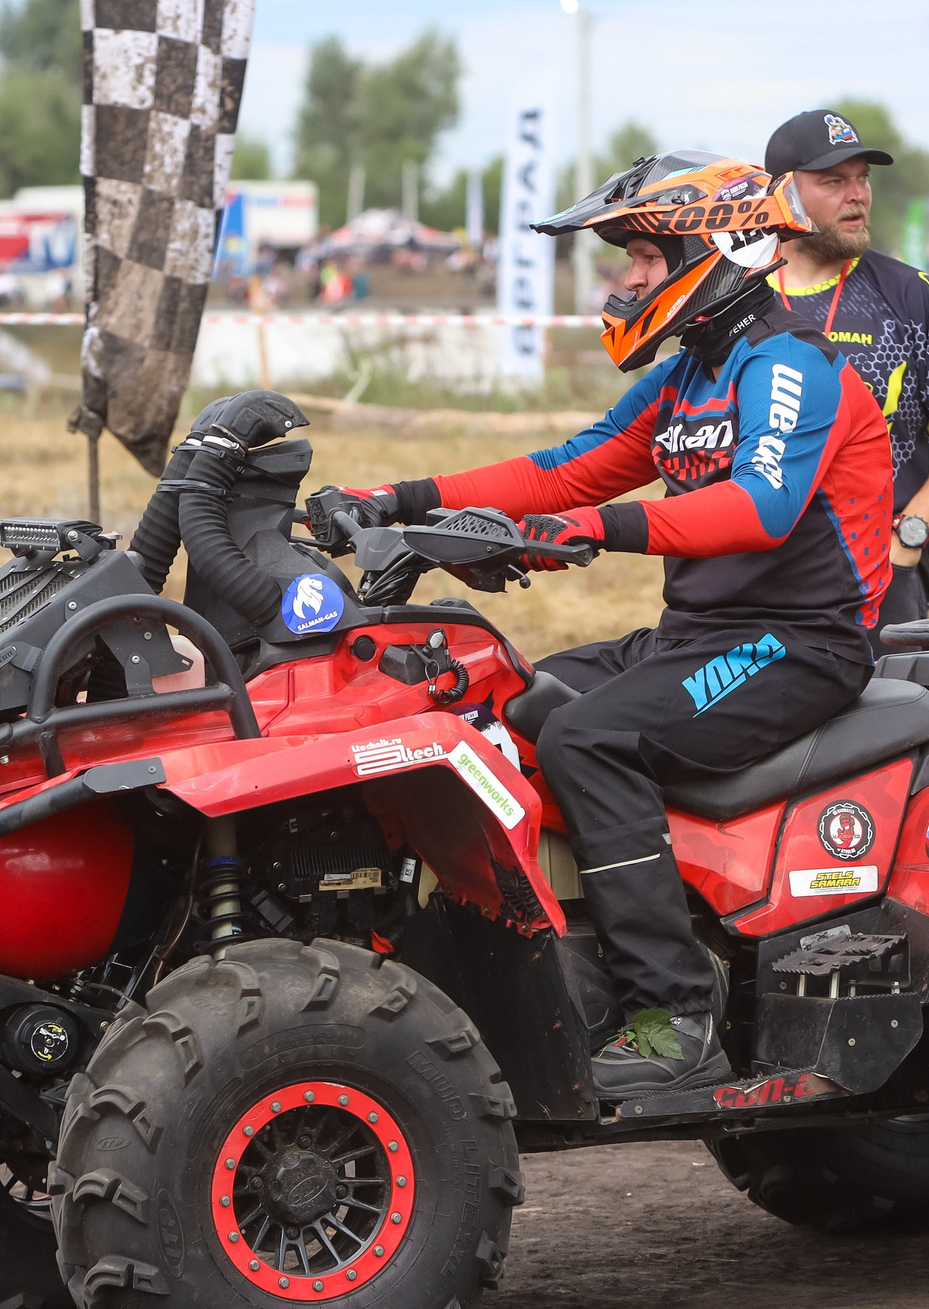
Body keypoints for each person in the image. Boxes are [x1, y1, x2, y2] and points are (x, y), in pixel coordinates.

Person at [347, 153, 895, 1098]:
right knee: (506, 702)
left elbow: (761, 506)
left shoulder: (791, 364)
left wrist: (598, 529)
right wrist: (398, 497)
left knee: (592, 734)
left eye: (644, 254)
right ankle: (576, 960)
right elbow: (566, 469)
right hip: (699, 637)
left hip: (801, 642)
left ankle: (677, 1012)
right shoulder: (690, 375)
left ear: (718, 246)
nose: (628, 279)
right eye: (629, 259)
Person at [758, 109, 929, 628]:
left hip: (875, 575)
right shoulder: (731, 294)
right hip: (748, 577)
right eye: (834, 181)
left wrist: (911, 532)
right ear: (783, 191)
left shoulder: (907, 293)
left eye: (863, 179)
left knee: (886, 712)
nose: (857, 195)